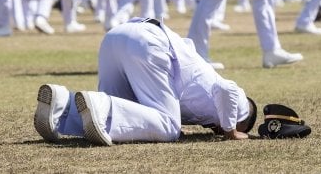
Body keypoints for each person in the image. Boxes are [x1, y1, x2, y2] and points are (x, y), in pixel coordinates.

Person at [33, 17, 256, 145]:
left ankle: (62, 104)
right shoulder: (241, 109)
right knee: (168, 127)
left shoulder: (204, 116)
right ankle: (100, 107)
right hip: (149, 44)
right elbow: (228, 90)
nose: (217, 132)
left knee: (109, 111)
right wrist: (232, 130)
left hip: (117, 37)